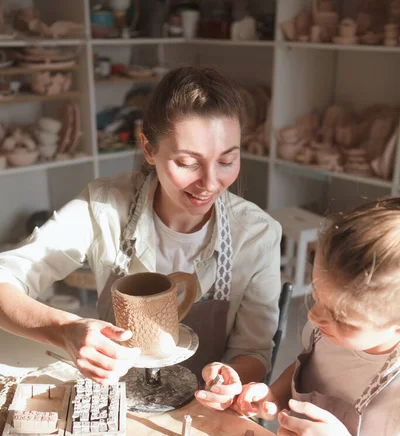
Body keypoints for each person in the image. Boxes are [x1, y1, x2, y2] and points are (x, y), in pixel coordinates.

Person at [0, 66, 281, 391]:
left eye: (226, 161)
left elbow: (254, 353)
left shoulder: (258, 235)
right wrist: (67, 329)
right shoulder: (103, 205)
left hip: (200, 408)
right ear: (149, 149)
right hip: (116, 394)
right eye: (188, 162)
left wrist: (231, 382)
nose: (210, 182)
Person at [197, 197, 400, 436]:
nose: (314, 316)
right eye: (317, 296)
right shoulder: (326, 331)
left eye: (341, 318)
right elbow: (310, 366)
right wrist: (272, 397)